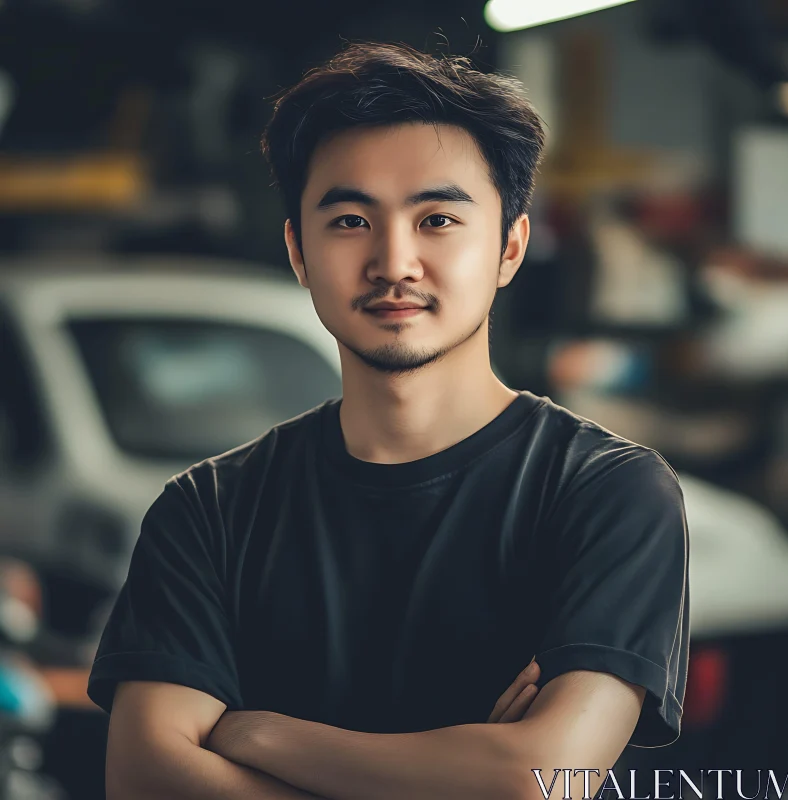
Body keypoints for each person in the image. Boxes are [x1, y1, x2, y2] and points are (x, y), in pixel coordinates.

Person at [88, 41, 690, 800]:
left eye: (437, 218)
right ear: (297, 251)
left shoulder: (606, 492)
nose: (394, 261)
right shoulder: (207, 511)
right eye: (348, 220)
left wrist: (260, 734)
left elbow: (537, 781)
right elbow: (146, 781)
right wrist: (452, 773)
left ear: (509, 246)